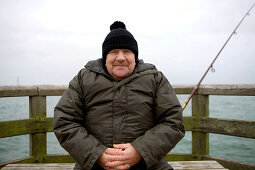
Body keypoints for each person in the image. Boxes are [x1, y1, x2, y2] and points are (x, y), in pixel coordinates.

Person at [53, 21, 185, 170]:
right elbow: (64, 121)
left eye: (127, 52)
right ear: (105, 56)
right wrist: (97, 154)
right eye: (114, 52)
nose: (120, 57)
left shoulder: (155, 78)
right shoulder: (83, 78)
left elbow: (174, 122)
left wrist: (140, 151)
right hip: (93, 166)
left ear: (135, 56)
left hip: (149, 165)